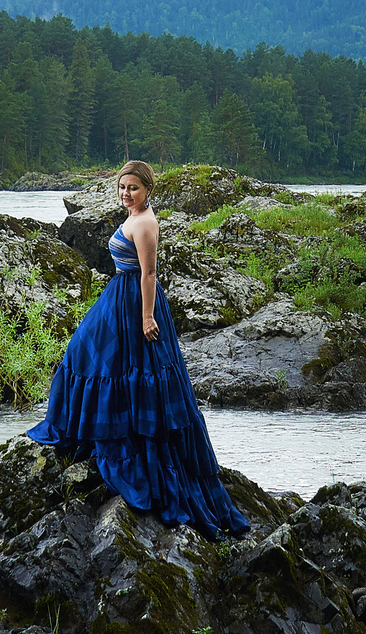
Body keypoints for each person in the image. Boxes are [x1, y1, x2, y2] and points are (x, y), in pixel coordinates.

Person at [26, 160, 252, 538]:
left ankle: (134, 447)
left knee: (128, 370)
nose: (126, 194)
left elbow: (149, 273)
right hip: (118, 299)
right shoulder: (134, 216)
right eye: (122, 187)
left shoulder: (146, 223)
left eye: (133, 188)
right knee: (86, 356)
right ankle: (97, 431)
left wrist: (147, 317)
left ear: (147, 189)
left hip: (136, 303)